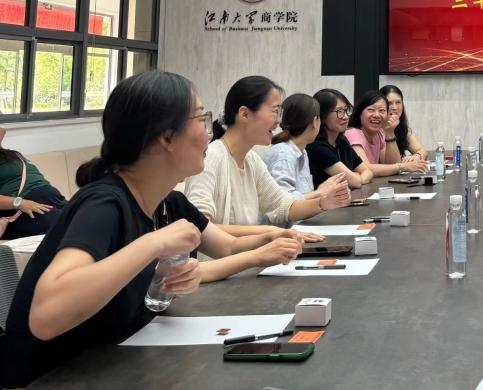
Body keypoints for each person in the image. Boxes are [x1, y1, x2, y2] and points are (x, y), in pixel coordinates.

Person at [1, 71, 308, 388]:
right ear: (166, 137)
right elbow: (46, 315)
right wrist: (153, 244)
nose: (209, 133)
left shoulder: (167, 202)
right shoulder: (104, 203)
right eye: (200, 120)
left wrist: (169, 277)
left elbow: (226, 247)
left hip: (121, 367)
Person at [185, 76, 351, 234]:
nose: (279, 121)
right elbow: (200, 227)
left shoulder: (252, 160)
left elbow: (283, 205)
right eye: (275, 111)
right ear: (244, 114)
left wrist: (323, 202)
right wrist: (270, 232)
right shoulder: (212, 157)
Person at [263, 93, 335, 198]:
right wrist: (320, 192)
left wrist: (323, 192)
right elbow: (284, 200)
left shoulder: (301, 151)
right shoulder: (284, 154)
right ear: (315, 122)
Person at [0, 127, 67, 239]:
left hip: (52, 199)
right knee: (72, 228)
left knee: (88, 216)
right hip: (24, 208)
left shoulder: (10, 154)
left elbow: (1, 130)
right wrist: (20, 203)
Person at [346, 90, 428, 177]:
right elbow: (365, 169)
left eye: (382, 110)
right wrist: (403, 166)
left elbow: (391, 164)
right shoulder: (352, 133)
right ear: (359, 113)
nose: (377, 115)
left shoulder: (379, 133)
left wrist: (390, 132)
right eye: (371, 110)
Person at [307, 89, 373, 189]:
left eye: (346, 110)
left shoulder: (342, 141)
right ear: (323, 116)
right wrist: (356, 178)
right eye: (340, 111)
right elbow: (355, 182)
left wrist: (359, 178)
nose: (346, 117)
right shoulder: (316, 147)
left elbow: (367, 171)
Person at [380, 85, 429, 162]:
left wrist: (417, 156)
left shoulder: (401, 127)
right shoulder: (375, 129)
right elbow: (391, 164)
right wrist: (390, 131)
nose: (394, 107)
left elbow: (422, 150)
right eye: (390, 103)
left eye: (398, 102)